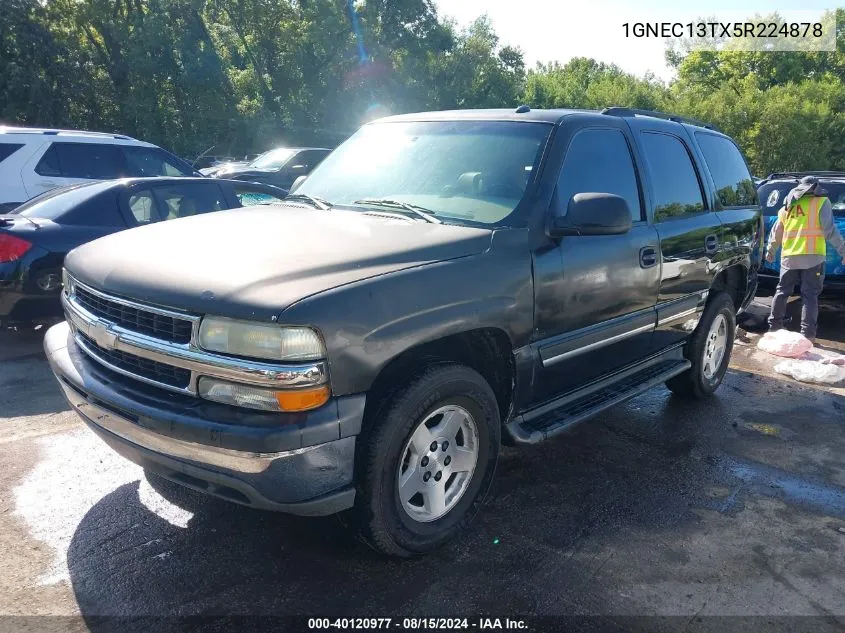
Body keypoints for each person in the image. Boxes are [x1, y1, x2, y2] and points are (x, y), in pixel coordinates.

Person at [766, 175, 845, 341]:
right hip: (813, 258)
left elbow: (776, 233)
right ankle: (808, 335)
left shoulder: (787, 206)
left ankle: (774, 329)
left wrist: (771, 252)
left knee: (781, 292)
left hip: (789, 257)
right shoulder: (822, 203)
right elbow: (830, 231)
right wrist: (843, 251)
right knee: (809, 296)